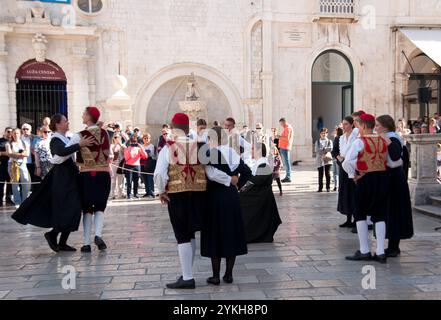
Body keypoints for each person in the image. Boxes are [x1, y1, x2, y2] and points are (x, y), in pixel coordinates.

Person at [154, 114, 231, 289]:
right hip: (199, 196)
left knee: (182, 235)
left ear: (173, 128)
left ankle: (188, 277)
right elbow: (211, 172)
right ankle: (187, 272)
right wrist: (229, 180)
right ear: (188, 128)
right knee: (191, 233)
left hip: (178, 195)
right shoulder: (201, 146)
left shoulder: (168, 147)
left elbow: (159, 173)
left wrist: (161, 191)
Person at [12, 114, 95, 253]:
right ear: (57, 124)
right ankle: (53, 235)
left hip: (70, 176)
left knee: (74, 209)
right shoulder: (55, 139)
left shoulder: (66, 138)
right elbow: (60, 152)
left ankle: (60, 241)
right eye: (65, 121)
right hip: (62, 177)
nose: (68, 122)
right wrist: (78, 145)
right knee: (70, 208)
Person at [202, 126, 250, 286]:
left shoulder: (210, 153)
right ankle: (228, 274)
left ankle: (215, 276)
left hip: (215, 197)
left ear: (212, 139)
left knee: (215, 234)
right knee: (231, 233)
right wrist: (238, 185)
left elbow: (211, 174)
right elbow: (248, 172)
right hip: (232, 197)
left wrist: (228, 180)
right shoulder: (233, 153)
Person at [343, 113, 390, 264]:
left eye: (358, 124)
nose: (358, 127)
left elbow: (348, 161)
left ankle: (364, 250)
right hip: (382, 179)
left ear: (363, 125)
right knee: (380, 213)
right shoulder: (383, 139)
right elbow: (391, 161)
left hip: (366, 179)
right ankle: (381, 252)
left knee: (360, 212)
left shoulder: (359, 141)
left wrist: (356, 173)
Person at [69, 107, 112, 253]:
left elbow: (67, 151)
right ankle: (98, 235)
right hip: (104, 174)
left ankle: (86, 243)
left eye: (83, 113)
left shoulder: (79, 135)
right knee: (100, 207)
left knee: (87, 209)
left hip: (87, 175)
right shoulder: (105, 133)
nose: (82, 115)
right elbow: (109, 154)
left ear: (88, 116)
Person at [375, 115, 414, 258]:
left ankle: (393, 247)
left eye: (378, 125)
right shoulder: (389, 137)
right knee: (390, 213)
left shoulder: (393, 138)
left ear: (385, 127)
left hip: (395, 181)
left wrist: (386, 140)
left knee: (394, 213)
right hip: (390, 179)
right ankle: (391, 246)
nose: (375, 128)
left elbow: (396, 156)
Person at [240, 142, 282, 244]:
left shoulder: (263, 164)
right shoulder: (259, 163)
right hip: (259, 194)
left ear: (259, 151)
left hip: (261, 196)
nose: (251, 151)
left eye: (253, 149)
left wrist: (242, 190)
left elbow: (255, 181)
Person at [336, 117, 357, 228]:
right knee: (345, 193)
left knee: (353, 192)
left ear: (351, 124)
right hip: (343, 167)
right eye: (343, 124)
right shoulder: (342, 137)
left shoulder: (356, 135)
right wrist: (339, 158)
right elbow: (339, 151)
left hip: (353, 167)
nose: (343, 126)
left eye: (346, 124)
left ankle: (356, 219)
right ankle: (348, 218)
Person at [6, 128, 31, 207]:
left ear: (20, 134)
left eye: (17, 133)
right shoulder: (8, 143)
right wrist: (21, 154)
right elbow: (9, 154)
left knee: (25, 183)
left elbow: (27, 154)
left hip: (23, 164)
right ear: (12, 134)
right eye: (14, 133)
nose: (15, 135)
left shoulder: (24, 143)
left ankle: (24, 201)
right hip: (12, 164)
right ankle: (17, 202)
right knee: (15, 184)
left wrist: (15, 154)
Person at [124, 135, 147, 200]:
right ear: (130, 142)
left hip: (137, 166)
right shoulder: (127, 148)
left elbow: (145, 156)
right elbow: (126, 158)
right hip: (129, 166)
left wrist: (141, 147)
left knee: (136, 181)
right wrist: (129, 151)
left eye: (135, 141)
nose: (133, 143)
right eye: (132, 142)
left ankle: (135, 193)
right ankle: (129, 194)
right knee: (129, 181)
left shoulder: (139, 148)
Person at [21, 123, 39, 191]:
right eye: (24, 129)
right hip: (22, 162)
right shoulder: (19, 138)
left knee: (34, 179)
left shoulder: (35, 137)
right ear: (21, 130)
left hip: (33, 162)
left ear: (30, 130)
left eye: (27, 129)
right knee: (23, 180)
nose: (25, 130)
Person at [315, 128, 333, 193]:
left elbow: (330, 148)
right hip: (319, 160)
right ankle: (320, 188)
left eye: (325, 133)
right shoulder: (317, 141)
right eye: (322, 133)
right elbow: (316, 150)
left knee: (327, 174)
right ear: (320, 134)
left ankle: (328, 187)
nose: (323, 134)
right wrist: (324, 150)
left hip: (327, 159)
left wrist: (323, 149)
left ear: (327, 134)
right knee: (320, 174)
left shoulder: (329, 141)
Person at [276, 118, 294, 183]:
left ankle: (288, 177)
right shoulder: (287, 128)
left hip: (285, 147)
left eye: (281, 124)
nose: (281, 125)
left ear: (284, 122)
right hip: (284, 147)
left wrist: (279, 137)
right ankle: (287, 176)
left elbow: (287, 138)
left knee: (287, 162)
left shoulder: (288, 128)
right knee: (286, 162)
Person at [0, 127, 13, 206]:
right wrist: (7, 153)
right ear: (4, 132)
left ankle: (8, 198)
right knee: (1, 182)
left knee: (10, 182)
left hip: (11, 164)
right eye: (8, 131)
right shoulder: (0, 141)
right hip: (2, 164)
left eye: (11, 132)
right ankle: (0, 199)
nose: (10, 133)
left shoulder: (13, 141)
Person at [141, 133, 156, 198]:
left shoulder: (151, 146)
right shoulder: (141, 146)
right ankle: (147, 192)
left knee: (150, 178)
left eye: (147, 138)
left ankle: (152, 192)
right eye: (145, 138)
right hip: (142, 163)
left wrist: (144, 153)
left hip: (149, 163)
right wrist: (145, 153)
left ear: (150, 139)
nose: (146, 139)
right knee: (144, 178)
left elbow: (151, 154)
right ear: (143, 139)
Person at [110, 135, 125, 200]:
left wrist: (120, 144)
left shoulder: (122, 145)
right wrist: (116, 144)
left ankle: (121, 193)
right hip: (113, 164)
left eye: (118, 137)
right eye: (115, 137)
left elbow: (125, 151)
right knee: (113, 180)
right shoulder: (112, 145)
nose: (116, 139)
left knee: (120, 180)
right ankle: (112, 194)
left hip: (121, 164)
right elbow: (112, 151)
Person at [331, 126, 343, 192]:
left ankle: (337, 186)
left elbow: (334, 150)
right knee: (336, 173)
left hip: (337, 158)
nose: (334, 131)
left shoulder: (337, 138)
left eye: (335, 130)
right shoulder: (341, 138)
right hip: (339, 158)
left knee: (336, 173)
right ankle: (337, 186)